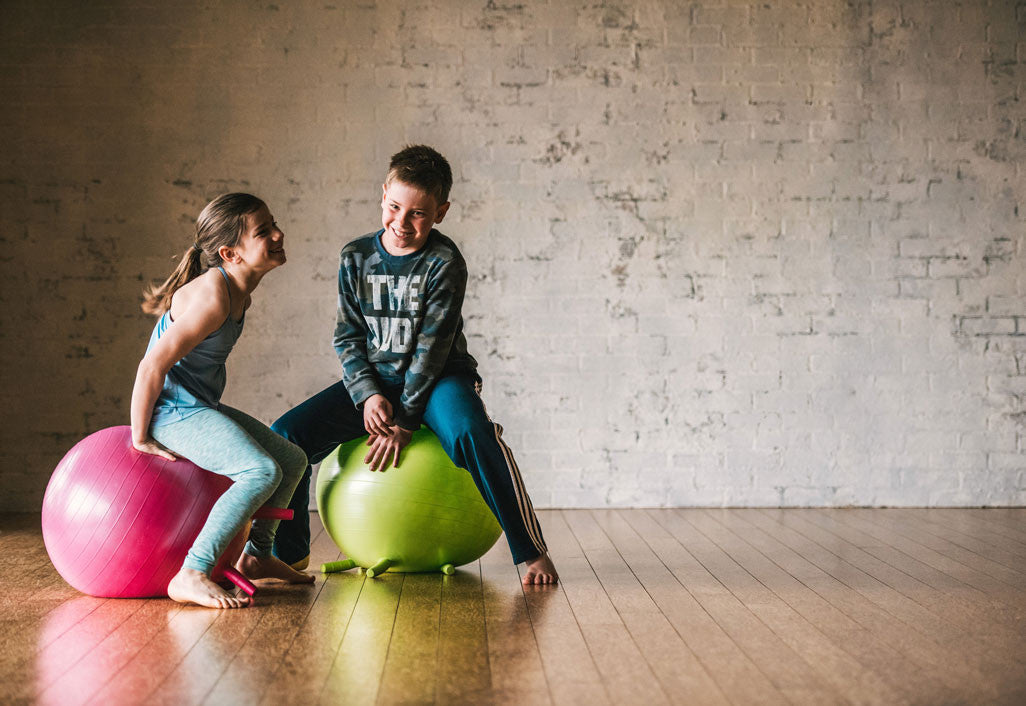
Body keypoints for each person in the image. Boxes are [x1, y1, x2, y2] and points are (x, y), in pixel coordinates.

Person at [271, 145, 558, 585]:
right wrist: (367, 393)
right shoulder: (354, 257)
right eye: (394, 207)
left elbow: (432, 348)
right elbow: (347, 336)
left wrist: (405, 419)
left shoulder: (444, 262)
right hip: (377, 381)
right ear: (383, 194)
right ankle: (288, 556)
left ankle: (530, 550)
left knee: (472, 434)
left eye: (419, 214)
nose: (402, 223)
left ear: (441, 211)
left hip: (440, 377)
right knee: (287, 436)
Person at [131, 193, 315, 608]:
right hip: (172, 412)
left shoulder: (239, 290)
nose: (278, 234)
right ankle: (192, 572)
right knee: (260, 471)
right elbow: (150, 367)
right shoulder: (212, 296)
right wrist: (141, 437)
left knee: (291, 461)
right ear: (229, 253)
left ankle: (257, 558)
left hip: (198, 406)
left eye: (274, 223)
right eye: (263, 231)